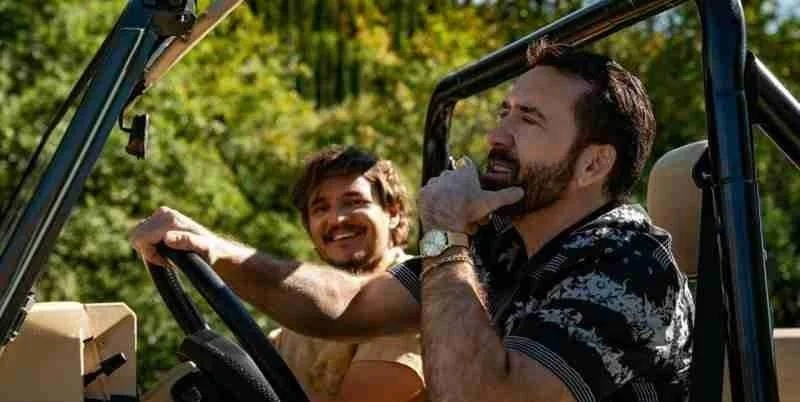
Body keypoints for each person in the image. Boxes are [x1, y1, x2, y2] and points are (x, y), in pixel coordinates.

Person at [131, 40, 694, 402]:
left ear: (593, 164)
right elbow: (349, 305)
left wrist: (447, 231)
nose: (496, 135)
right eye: (504, 112)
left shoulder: (628, 264)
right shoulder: (500, 240)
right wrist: (215, 251)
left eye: (528, 119)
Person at [131, 147, 425, 402]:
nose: (337, 219)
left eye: (354, 202)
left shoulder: (414, 294)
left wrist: (215, 249)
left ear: (393, 213)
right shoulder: (301, 321)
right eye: (320, 208)